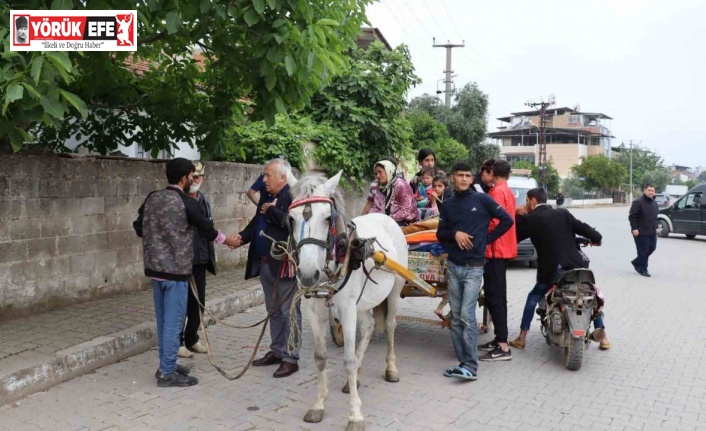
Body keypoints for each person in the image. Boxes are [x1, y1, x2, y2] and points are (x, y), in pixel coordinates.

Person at [133, 158, 239, 387]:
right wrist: (228, 240)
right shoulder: (186, 202)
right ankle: (168, 374)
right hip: (176, 274)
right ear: (183, 179)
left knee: (163, 322)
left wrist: (158, 236)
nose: (193, 180)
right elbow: (207, 229)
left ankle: (166, 364)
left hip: (155, 271)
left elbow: (138, 227)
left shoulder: (152, 198)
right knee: (173, 323)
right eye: (192, 176)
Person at [436, 162, 514, 381]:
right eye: (460, 175)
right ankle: (463, 361)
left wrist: (485, 239)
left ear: (472, 179)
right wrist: (455, 234)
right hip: (454, 266)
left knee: (467, 317)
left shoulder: (482, 199)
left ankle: (471, 365)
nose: (463, 178)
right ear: (452, 177)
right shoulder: (448, 204)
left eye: (467, 175)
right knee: (456, 317)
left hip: (474, 268)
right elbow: (441, 234)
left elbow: (507, 220)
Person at [509, 188, 611, 350]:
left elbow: (514, 236)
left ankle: (521, 338)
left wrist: (519, 216)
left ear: (533, 201)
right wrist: (595, 238)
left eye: (527, 201)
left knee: (533, 297)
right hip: (576, 268)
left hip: (551, 271)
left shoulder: (532, 219)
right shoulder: (563, 214)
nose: (526, 204)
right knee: (590, 296)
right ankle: (604, 339)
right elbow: (584, 228)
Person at [232, 158, 301, 378]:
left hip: (283, 265)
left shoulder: (293, 195)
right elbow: (257, 222)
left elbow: (293, 224)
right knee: (273, 311)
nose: (263, 180)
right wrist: (241, 238)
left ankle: (291, 358)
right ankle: (277, 351)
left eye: (268, 175)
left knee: (289, 311)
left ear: (282, 177)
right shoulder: (268, 195)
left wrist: (272, 211)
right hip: (264, 262)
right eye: (264, 175)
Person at [478, 160, 517, 362]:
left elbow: (494, 221)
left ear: (492, 173)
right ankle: (499, 340)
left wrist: (480, 237)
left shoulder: (497, 192)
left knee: (495, 297)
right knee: (496, 295)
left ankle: (502, 345)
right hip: (501, 249)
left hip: (496, 251)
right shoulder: (507, 191)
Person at [177, 161, 216, 359]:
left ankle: (191, 338)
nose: (195, 180)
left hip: (200, 257)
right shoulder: (178, 200)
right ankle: (177, 342)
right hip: (182, 260)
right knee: (179, 303)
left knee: (198, 302)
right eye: (193, 176)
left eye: (199, 177)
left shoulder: (204, 200)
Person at [366, 159, 418, 226]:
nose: (378, 176)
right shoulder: (380, 186)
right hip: (386, 220)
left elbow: (405, 210)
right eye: (376, 173)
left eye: (380, 172)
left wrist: (387, 220)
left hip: (405, 221)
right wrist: (370, 215)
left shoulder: (401, 185)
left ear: (388, 171)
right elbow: (377, 207)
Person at [628, 183, 659, 277]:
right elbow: (632, 216)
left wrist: (656, 227)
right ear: (644, 191)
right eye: (649, 190)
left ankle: (637, 262)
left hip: (652, 231)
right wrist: (634, 229)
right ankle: (643, 269)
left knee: (652, 248)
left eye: (652, 190)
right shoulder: (638, 202)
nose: (651, 192)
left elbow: (655, 217)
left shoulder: (655, 203)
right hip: (640, 232)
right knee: (643, 251)